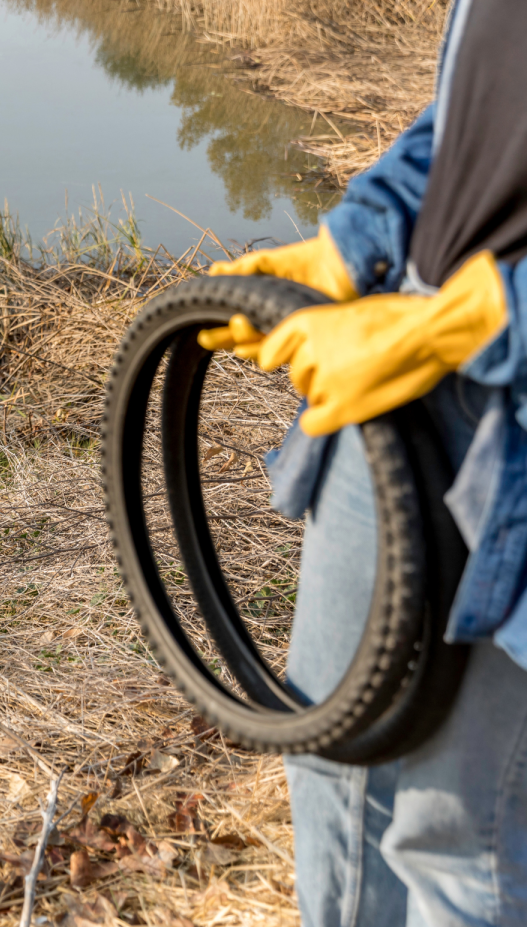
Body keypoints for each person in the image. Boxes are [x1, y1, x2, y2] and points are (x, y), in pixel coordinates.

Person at [198, 2, 527, 924]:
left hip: (514, 434)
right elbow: (480, 109)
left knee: (459, 843)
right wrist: (354, 243)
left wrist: (467, 321)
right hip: (404, 379)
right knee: (331, 746)